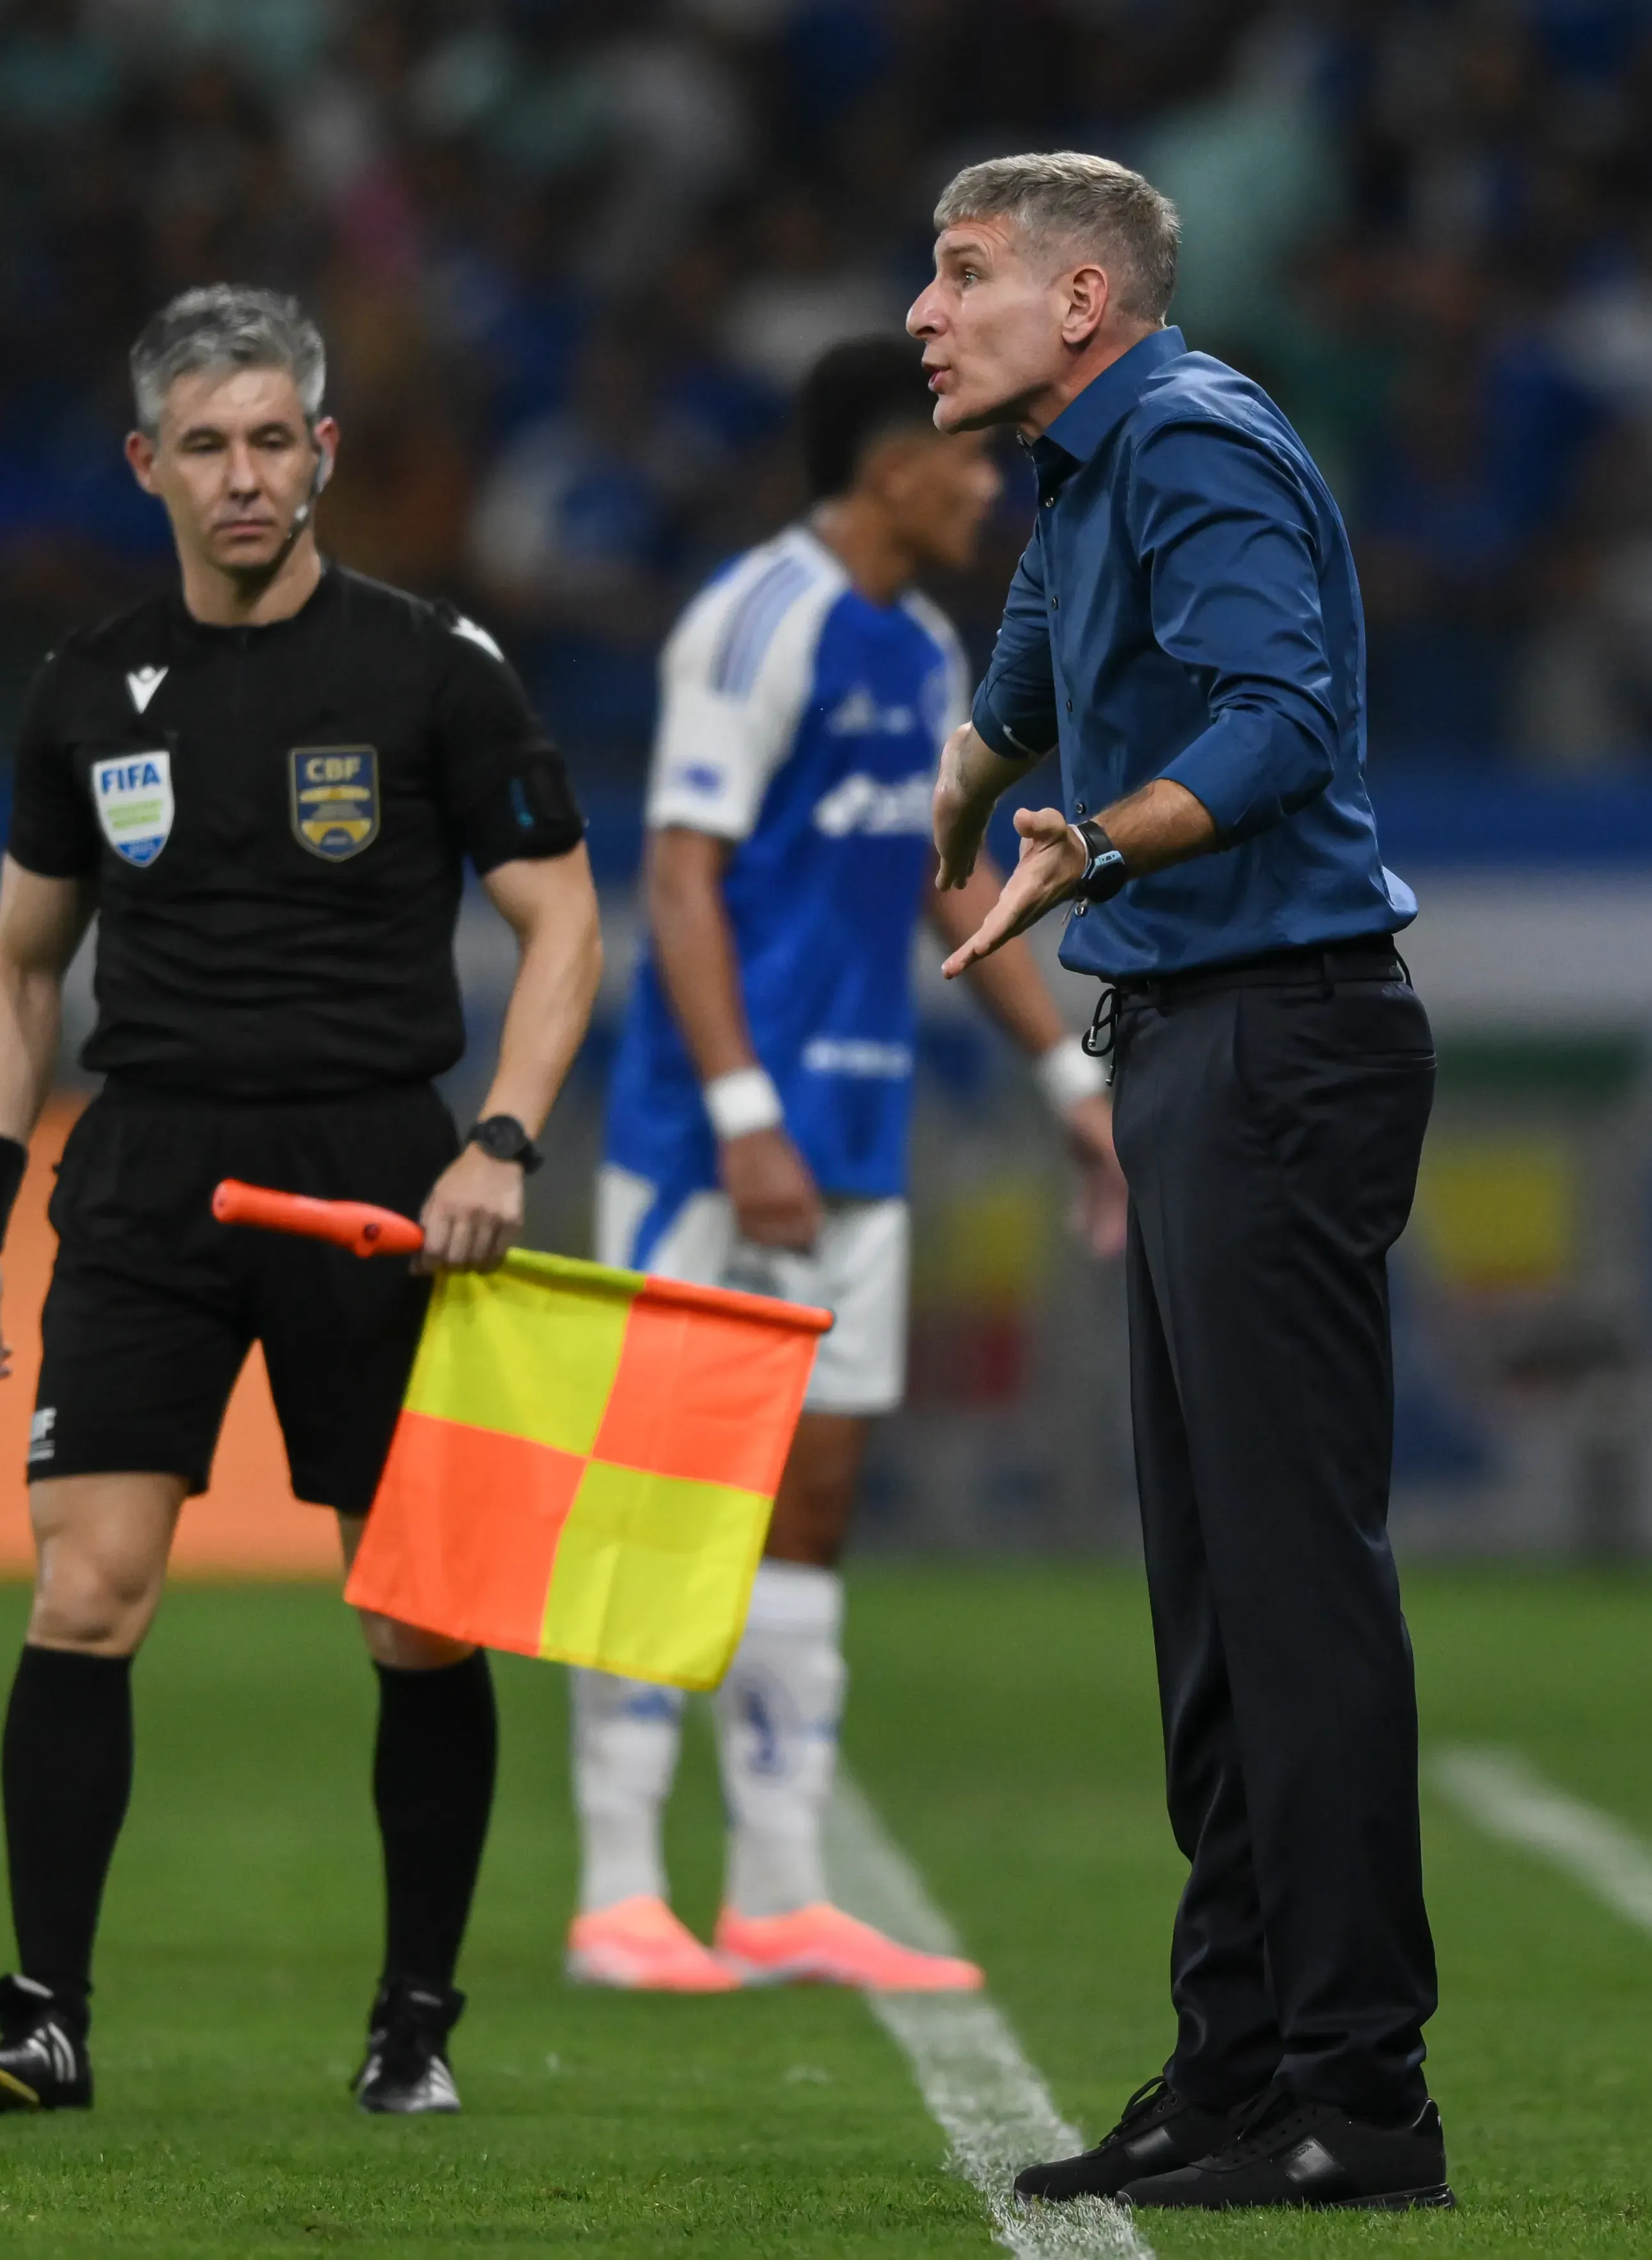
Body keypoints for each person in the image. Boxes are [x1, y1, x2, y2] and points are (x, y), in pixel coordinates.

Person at [0, 287, 602, 2115]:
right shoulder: (84, 685)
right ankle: (46, 2010)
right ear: (148, 464)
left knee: (415, 1620)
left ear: (322, 452)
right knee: (89, 1585)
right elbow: (15, 972)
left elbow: (565, 921)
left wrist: (504, 1142)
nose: (245, 475)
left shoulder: (434, 667)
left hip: (381, 1174)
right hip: (147, 1171)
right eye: (206, 444)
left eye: (273, 439)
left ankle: (413, 2015)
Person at [908, 152, 1449, 2212]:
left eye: (961, 276)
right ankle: (1233, 2068)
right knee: (1214, 1601)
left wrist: (1089, 845)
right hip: (1200, 1044)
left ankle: (1362, 2091)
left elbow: (1282, 722)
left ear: (1082, 302)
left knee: (1293, 1584)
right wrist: (971, 772)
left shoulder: (1199, 443)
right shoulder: (1088, 467)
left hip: (1278, 1036)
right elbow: (1048, 631)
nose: (921, 312)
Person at [565, 337, 1128, 1994]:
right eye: (971, 458)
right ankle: (614, 1891)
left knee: (813, 1500)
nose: (990, 485)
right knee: (664, 1503)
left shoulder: (918, 642)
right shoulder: (757, 619)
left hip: (858, 1147)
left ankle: (780, 1887)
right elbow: (673, 882)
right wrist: (741, 1113)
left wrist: (1062, 1074)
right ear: (895, 466)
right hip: (711, 1143)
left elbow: (950, 881)